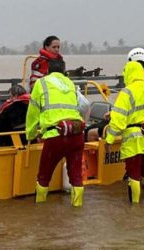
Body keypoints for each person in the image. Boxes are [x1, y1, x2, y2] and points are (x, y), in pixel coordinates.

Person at [105, 61, 144, 204]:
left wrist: (109, 139)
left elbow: (118, 120)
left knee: (133, 175)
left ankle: (135, 207)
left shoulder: (126, 92)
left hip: (133, 141)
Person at [26, 59, 85, 207]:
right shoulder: (70, 83)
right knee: (76, 176)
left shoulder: (42, 83)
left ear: (47, 70)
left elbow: (33, 112)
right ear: (64, 71)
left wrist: (30, 134)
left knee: (44, 176)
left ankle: (40, 208)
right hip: (77, 134)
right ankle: (77, 208)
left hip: (55, 136)